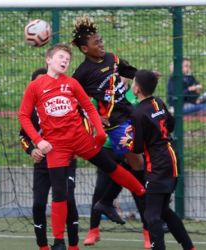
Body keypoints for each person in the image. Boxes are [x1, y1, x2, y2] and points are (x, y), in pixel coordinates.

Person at [19, 43, 145, 250]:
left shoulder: (72, 84)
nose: (64, 61)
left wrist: (100, 131)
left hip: (80, 139)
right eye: (60, 57)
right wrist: (38, 141)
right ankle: (59, 242)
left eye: (67, 60)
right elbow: (23, 116)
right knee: (60, 194)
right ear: (48, 60)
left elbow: (88, 107)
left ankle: (142, 192)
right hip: (56, 148)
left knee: (111, 166)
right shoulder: (35, 86)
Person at [70, 16, 148, 247]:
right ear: (85, 49)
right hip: (113, 126)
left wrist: (146, 77)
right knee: (134, 168)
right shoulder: (82, 73)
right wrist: (93, 119)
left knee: (135, 169)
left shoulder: (113, 59)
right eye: (96, 43)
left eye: (101, 40)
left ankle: (137, 220)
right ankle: (96, 225)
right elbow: (73, 101)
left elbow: (131, 71)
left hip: (128, 118)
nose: (101, 44)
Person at [120, 69, 196, 250]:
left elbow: (137, 148)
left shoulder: (138, 114)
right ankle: (189, 246)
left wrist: (129, 141)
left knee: (151, 215)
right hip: (172, 159)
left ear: (136, 88)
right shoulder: (158, 102)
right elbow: (170, 124)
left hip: (158, 165)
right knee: (163, 210)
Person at [20, 67, 80, 250]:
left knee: (67, 199)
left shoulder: (65, 105)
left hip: (65, 162)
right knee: (39, 204)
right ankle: (43, 246)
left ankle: (71, 245)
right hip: (43, 164)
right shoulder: (29, 112)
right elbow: (23, 137)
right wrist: (31, 150)